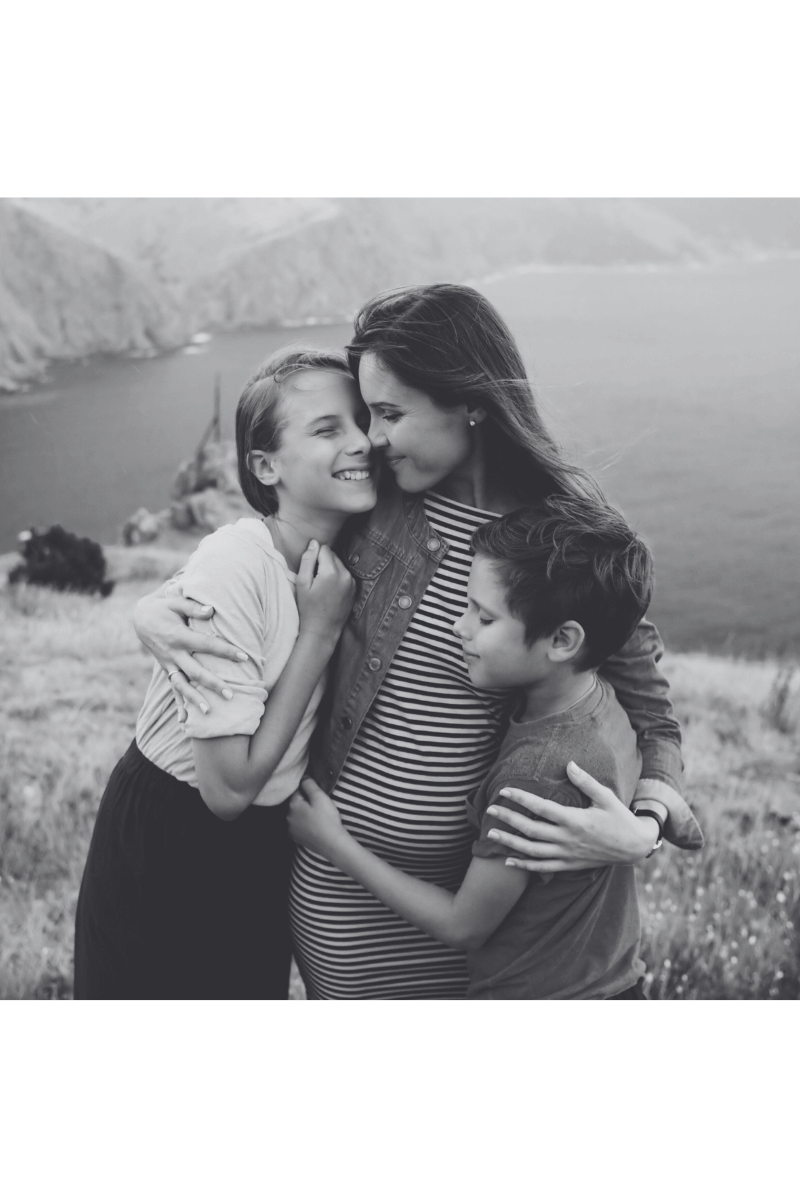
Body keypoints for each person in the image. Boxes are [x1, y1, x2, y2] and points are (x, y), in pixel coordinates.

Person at [135, 283, 703, 1002]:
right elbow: (257, 556)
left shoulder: (564, 540)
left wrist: (643, 828)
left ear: (468, 400)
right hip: (334, 884)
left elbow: (655, 716)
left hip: (453, 906)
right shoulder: (377, 502)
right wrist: (152, 609)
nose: (371, 438)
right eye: (368, 414)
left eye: (390, 414)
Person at [74, 348, 371, 1000]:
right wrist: (318, 632)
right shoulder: (239, 562)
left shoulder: (346, 551)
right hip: (174, 837)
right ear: (265, 466)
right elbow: (227, 790)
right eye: (327, 429)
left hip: (261, 845)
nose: (361, 442)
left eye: (363, 420)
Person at [289, 497, 657, 1001]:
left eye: (483, 618)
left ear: (564, 640)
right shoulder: (598, 704)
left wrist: (333, 842)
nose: (458, 627)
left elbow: (464, 926)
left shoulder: (539, 771)